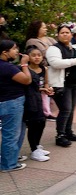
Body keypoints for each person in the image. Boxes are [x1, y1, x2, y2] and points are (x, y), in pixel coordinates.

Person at [46, 24, 76, 147]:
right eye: (62, 33)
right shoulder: (54, 49)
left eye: (67, 32)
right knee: (65, 109)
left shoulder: (74, 48)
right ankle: (60, 135)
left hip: (75, 83)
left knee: (70, 109)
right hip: (61, 84)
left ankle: (68, 132)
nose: (65, 34)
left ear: (71, 35)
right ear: (58, 35)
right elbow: (55, 63)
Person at [0, 39, 32, 172]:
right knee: (11, 134)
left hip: (4, 101)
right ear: (4, 52)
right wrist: (24, 65)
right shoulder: (7, 67)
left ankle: (11, 157)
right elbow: (27, 80)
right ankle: (8, 165)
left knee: (11, 133)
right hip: (12, 102)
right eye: (14, 49)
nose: (17, 51)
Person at [23, 46, 52, 162]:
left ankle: (37, 145)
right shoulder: (25, 70)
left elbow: (45, 83)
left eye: (39, 55)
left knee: (42, 122)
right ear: (28, 57)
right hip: (30, 100)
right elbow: (27, 86)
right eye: (33, 55)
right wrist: (42, 90)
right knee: (33, 124)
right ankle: (34, 149)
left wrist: (47, 89)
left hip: (40, 99)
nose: (36, 57)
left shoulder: (44, 69)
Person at [25, 20, 57, 119]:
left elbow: (59, 49)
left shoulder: (50, 39)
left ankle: (46, 110)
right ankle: (45, 111)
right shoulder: (32, 41)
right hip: (43, 67)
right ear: (37, 29)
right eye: (43, 27)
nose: (45, 29)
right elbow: (43, 53)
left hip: (54, 66)